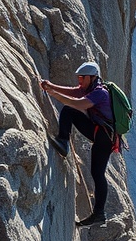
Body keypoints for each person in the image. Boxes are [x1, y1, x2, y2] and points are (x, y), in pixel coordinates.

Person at [40, 61, 115, 227]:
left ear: (92, 77)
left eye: (82, 77)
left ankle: (63, 142)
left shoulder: (100, 93)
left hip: (104, 137)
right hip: (102, 135)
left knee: (69, 110)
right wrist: (52, 86)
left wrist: (53, 94)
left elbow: (78, 103)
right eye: (79, 77)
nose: (80, 80)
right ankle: (99, 214)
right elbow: (75, 92)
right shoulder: (91, 88)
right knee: (97, 174)